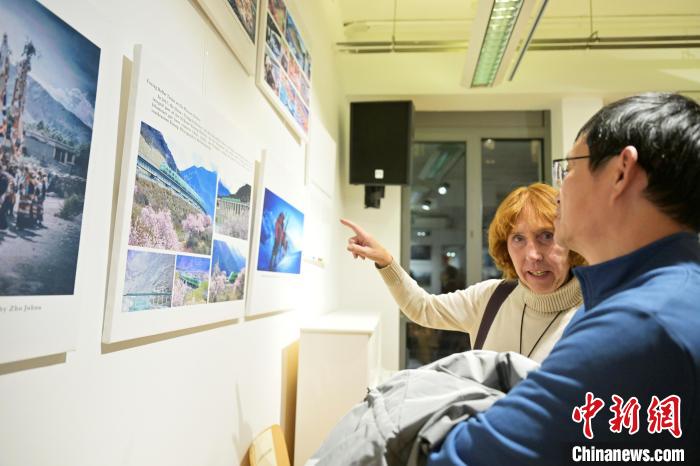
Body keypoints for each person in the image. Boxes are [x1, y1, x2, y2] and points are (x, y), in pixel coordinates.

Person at [428, 92, 700, 465]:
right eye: (518, 239)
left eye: (568, 170)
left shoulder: (639, 323)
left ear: (621, 172)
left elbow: (463, 458)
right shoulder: (656, 294)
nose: (560, 194)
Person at [341, 182, 586, 364]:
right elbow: (422, 308)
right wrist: (385, 261)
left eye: (546, 236)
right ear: (505, 247)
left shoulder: (593, 312)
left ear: (571, 239)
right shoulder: (492, 297)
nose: (533, 254)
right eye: (518, 239)